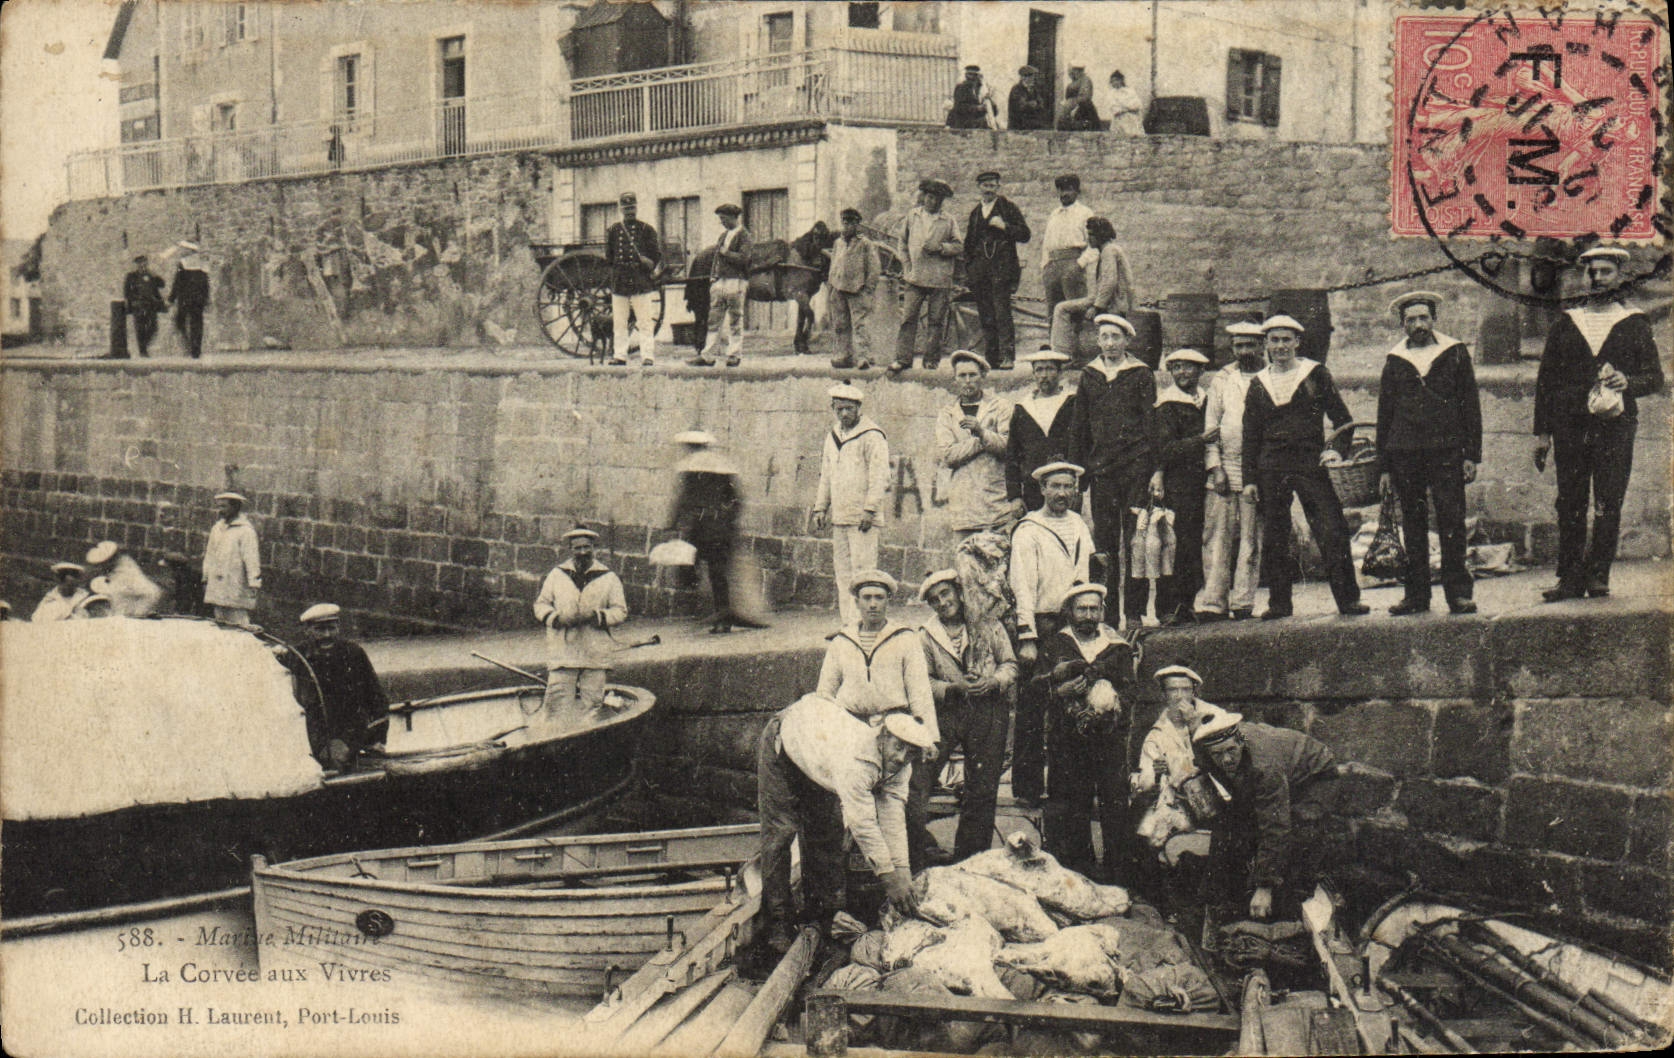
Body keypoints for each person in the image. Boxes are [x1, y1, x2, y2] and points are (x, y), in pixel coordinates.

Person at [1534, 246, 1664, 602]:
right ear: (1584, 277)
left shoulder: (1635, 322)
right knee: (1571, 501)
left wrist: (1628, 382)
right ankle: (1570, 578)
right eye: (1592, 272)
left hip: (1615, 425)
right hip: (1569, 425)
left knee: (1608, 500)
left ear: (1620, 276)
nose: (1598, 278)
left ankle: (1598, 575)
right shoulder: (1567, 321)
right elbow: (1546, 380)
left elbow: (1655, 378)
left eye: (1606, 271)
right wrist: (1543, 433)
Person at [756, 693, 932, 951]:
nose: (901, 757)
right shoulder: (854, 760)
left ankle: (822, 918)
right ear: (883, 737)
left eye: (910, 753)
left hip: (818, 754)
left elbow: (892, 817)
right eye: (898, 747)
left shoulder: (901, 767)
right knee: (781, 834)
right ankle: (778, 925)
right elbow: (863, 823)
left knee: (826, 833)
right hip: (784, 742)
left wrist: (902, 871)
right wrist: (889, 879)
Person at [1241, 315, 1369, 620]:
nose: (1280, 346)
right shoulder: (1259, 384)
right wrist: (1250, 479)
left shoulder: (1315, 374)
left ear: (1297, 342)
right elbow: (1250, 434)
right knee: (1275, 534)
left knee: (1330, 528)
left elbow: (1343, 421)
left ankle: (1348, 600)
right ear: (1266, 345)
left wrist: (1335, 452)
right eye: (1274, 340)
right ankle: (1279, 603)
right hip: (1271, 466)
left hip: (1310, 463)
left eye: (1287, 340)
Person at [1377, 291, 1483, 616]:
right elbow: (1385, 414)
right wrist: (1384, 467)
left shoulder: (1454, 353)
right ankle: (1416, 596)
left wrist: (1471, 455)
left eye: (1424, 318)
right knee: (1412, 523)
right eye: (1411, 320)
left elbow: (1470, 405)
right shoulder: (1395, 360)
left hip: (1446, 451)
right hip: (1405, 454)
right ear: (1403, 324)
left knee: (1452, 520)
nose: (1419, 324)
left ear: (1434, 320)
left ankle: (1458, 594)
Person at [1037, 583, 1139, 884]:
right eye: (1082, 608)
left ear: (1102, 612)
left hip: (1109, 741)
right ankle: (1078, 877)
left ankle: (1117, 878)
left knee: (1115, 807)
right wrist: (1060, 691)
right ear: (1070, 612)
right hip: (1067, 742)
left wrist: (1112, 706)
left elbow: (1131, 689)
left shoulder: (1117, 647)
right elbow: (1034, 689)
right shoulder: (1055, 646)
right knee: (1071, 808)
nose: (1088, 615)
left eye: (1094, 609)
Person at [1193, 711, 1340, 921]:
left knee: (1298, 827)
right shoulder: (1205, 752)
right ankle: (1215, 895)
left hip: (1315, 775)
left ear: (1240, 742)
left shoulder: (1265, 766)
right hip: (1280, 770)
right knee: (1233, 821)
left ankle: (1294, 896)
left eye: (1230, 751)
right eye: (1218, 755)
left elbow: (1276, 826)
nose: (1226, 759)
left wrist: (1264, 887)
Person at [1009, 461, 1096, 805]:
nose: (1062, 493)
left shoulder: (1077, 524)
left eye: (1068, 487)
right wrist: (1027, 636)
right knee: (1033, 706)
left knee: (1069, 704)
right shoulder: (1028, 529)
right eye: (1055, 486)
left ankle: (1064, 788)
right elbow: (1023, 586)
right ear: (1042, 489)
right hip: (1041, 623)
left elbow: (1084, 574)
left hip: (1069, 624)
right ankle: (1027, 789)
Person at [917, 569, 1018, 865]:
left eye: (946, 594)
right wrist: (953, 688)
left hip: (988, 710)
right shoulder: (926, 636)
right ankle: (920, 852)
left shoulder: (987, 624)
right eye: (935, 600)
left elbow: (1010, 664)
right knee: (919, 778)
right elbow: (923, 681)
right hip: (947, 712)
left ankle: (971, 860)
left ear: (959, 593)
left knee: (982, 786)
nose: (942, 602)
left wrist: (994, 681)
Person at [1074, 313, 1161, 630]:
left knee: (1136, 541)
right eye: (1105, 337)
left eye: (1116, 337)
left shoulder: (1140, 374)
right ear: (1098, 341)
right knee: (1105, 545)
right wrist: (1080, 475)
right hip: (1102, 472)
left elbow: (1152, 426)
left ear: (1127, 340)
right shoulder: (1089, 375)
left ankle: (1135, 612)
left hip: (1136, 467)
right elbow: (1079, 427)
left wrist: (1155, 470)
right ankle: (1108, 615)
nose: (1110, 343)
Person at [1197, 322, 1267, 621]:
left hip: (1256, 472)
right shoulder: (1222, 380)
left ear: (1261, 346)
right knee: (1216, 538)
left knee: (1251, 539)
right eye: (1239, 346)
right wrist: (1216, 468)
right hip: (1224, 470)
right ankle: (1214, 602)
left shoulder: (1269, 377)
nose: (1245, 351)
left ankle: (1243, 602)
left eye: (1250, 345)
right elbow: (1211, 427)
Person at [817, 570, 938, 740]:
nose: (873, 604)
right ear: (857, 602)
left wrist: (928, 737)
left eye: (879, 597)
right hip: (850, 728)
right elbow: (825, 693)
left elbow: (920, 693)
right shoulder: (841, 641)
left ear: (888, 600)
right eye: (866, 598)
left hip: (894, 730)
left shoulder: (905, 638)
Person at [668, 430, 766, 634]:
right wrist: (729, 520)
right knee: (717, 573)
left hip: (701, 527)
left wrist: (672, 522)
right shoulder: (722, 466)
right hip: (720, 528)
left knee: (691, 566)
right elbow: (737, 499)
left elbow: (683, 499)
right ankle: (721, 616)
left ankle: (711, 612)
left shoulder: (690, 468)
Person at [811, 384, 890, 625]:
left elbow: (880, 476)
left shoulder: (872, 435)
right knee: (843, 574)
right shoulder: (833, 436)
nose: (844, 414)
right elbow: (826, 475)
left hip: (862, 518)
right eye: (839, 409)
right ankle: (848, 624)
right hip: (841, 517)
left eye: (849, 409)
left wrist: (870, 509)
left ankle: (864, 624)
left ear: (858, 408)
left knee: (863, 573)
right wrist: (820, 507)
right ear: (832, 408)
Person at [532, 527, 629, 727]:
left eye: (587, 547)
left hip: (595, 653)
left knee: (592, 707)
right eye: (577, 548)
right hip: (563, 652)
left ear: (594, 548)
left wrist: (598, 616)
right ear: (570, 549)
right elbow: (540, 604)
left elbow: (620, 610)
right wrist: (557, 619)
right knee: (556, 705)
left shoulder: (608, 577)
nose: (583, 552)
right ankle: (552, 741)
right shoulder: (557, 575)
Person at [1152, 349, 1216, 626]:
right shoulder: (1167, 404)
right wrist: (1200, 440)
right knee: (1174, 545)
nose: (1182, 373)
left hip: (1200, 482)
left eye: (1188, 367)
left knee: (1193, 545)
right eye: (1176, 368)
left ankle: (1188, 603)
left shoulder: (1205, 399)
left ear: (1200, 371)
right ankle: (1168, 607)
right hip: (1178, 483)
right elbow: (1165, 449)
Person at [292, 603, 389, 769]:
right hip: (312, 735)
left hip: (350, 733)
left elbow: (376, 698)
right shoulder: (296, 656)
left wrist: (377, 740)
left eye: (331, 628)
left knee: (339, 760)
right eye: (319, 630)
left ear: (338, 627)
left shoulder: (354, 653)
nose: (327, 635)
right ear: (307, 630)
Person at [936, 350, 1015, 540]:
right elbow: (948, 456)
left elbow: (1008, 447)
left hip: (996, 505)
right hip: (964, 509)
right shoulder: (947, 414)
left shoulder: (1001, 407)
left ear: (983, 376)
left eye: (973, 375)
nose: (968, 380)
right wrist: (981, 439)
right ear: (955, 379)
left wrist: (982, 432)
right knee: (965, 564)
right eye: (962, 376)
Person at [891, 179, 963, 376]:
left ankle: (931, 361)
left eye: (937, 199)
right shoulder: (913, 216)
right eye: (930, 197)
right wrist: (907, 266)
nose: (932, 202)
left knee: (936, 321)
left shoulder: (948, 221)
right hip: (915, 278)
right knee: (908, 318)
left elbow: (958, 246)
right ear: (924, 197)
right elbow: (902, 243)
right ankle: (902, 359)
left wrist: (941, 248)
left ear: (942, 201)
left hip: (940, 279)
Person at [963, 170, 1031, 369]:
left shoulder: (1008, 208)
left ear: (998, 187)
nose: (989, 190)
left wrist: (1005, 226)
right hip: (980, 273)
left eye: (992, 186)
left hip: (1002, 270)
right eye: (985, 186)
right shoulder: (976, 213)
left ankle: (1008, 356)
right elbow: (968, 243)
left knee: (1002, 314)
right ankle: (991, 359)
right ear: (979, 188)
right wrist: (971, 267)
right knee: (986, 315)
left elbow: (1025, 234)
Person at [1005, 347, 1080, 519]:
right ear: (1033, 374)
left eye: (1050, 369)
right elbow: (1012, 455)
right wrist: (1014, 496)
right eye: (1039, 370)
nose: (1044, 375)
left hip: (1065, 489)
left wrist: (1078, 488)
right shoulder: (1023, 408)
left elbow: (1081, 446)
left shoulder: (1072, 403)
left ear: (1060, 372)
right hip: (1033, 489)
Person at [1049, 217, 1135, 363]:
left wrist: (1096, 307)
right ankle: (1067, 353)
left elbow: (1109, 282)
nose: (1089, 239)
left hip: (1113, 305)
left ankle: (1061, 355)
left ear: (1100, 235)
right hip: (1108, 301)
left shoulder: (1109, 251)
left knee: (1061, 309)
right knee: (1065, 308)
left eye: (1091, 235)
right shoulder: (1109, 250)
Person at [1132, 665, 1225, 798]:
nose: (1179, 696)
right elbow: (1145, 784)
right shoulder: (1156, 735)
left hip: (1219, 794)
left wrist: (1195, 724)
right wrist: (1156, 772)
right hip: (1181, 800)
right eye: (1172, 690)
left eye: (1186, 690)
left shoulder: (1214, 715)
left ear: (1194, 693)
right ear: (1164, 695)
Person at [604, 191, 662, 367]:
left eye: (632, 207)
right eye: (626, 208)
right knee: (619, 322)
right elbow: (609, 257)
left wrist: (648, 263)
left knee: (644, 321)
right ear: (621, 209)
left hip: (640, 280)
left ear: (636, 208)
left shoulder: (647, 229)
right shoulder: (613, 230)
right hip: (620, 281)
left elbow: (656, 255)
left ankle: (647, 356)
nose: (630, 211)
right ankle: (620, 355)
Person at [691, 204, 750, 367]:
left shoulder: (744, 236)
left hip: (735, 281)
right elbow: (716, 259)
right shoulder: (723, 236)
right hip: (720, 282)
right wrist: (713, 277)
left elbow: (744, 259)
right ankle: (708, 355)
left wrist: (726, 253)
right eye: (721, 219)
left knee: (735, 319)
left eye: (724, 219)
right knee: (714, 320)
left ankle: (734, 354)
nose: (722, 222)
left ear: (733, 218)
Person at [827, 208, 880, 370]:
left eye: (851, 223)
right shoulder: (838, 243)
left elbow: (874, 268)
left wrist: (868, 289)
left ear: (857, 224)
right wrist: (832, 285)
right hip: (839, 289)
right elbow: (834, 265)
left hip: (858, 289)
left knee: (860, 325)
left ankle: (864, 357)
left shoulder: (865, 244)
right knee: (840, 324)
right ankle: (843, 356)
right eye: (845, 222)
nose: (847, 226)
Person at [203, 491, 261, 627]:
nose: (220, 510)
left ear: (235, 507)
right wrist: (205, 578)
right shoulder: (217, 528)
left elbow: (251, 558)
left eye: (224, 507)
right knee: (219, 621)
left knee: (238, 623)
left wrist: (254, 583)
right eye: (219, 507)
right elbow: (209, 555)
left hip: (236, 583)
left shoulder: (245, 531)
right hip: (217, 584)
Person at [1040, 175, 1093, 320]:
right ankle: (1054, 343)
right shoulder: (1054, 214)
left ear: (1077, 191)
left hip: (1073, 264)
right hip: (1052, 267)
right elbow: (1046, 244)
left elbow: (1094, 245)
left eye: (1069, 189)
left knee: (1075, 310)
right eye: (1061, 190)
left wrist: (1079, 264)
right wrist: (1045, 266)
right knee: (1053, 312)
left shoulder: (1085, 213)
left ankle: (1076, 342)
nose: (1064, 194)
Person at [790, 221, 837, 356]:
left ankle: (801, 341)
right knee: (806, 312)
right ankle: (800, 341)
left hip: (823, 279)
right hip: (805, 280)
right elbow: (799, 245)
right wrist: (817, 249)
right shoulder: (805, 242)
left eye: (820, 237)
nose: (817, 239)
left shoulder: (830, 241)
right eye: (815, 236)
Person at [84, 540, 163, 618]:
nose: (99, 567)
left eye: (101, 564)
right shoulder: (111, 574)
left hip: (128, 618)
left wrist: (138, 614)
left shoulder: (126, 572)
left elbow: (152, 593)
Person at [168, 241, 210, 359]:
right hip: (199, 299)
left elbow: (177, 282)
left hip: (185, 298)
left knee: (179, 321)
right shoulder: (202, 263)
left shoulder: (183, 263)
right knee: (197, 323)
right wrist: (206, 298)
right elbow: (206, 283)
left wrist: (171, 299)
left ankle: (188, 345)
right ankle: (196, 350)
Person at [123, 255, 167, 358]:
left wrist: (155, 276)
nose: (143, 265)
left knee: (153, 327)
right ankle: (143, 350)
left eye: (145, 263)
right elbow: (127, 291)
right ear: (137, 265)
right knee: (140, 327)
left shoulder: (151, 275)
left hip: (151, 304)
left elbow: (162, 284)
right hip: (138, 305)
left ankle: (144, 345)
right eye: (141, 263)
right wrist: (131, 302)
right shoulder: (131, 276)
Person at [946, 64, 999, 129]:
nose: (973, 77)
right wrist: (977, 108)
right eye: (970, 74)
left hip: (979, 123)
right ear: (966, 75)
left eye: (975, 75)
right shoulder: (961, 87)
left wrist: (990, 103)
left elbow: (994, 112)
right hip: (964, 123)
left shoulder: (983, 88)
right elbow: (959, 107)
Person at [1007, 65, 1051, 131]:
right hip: (1018, 127)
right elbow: (1020, 106)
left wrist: (1035, 104)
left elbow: (1041, 104)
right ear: (1023, 77)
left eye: (1032, 76)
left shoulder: (1034, 89)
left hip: (1031, 126)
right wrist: (1032, 104)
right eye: (1030, 76)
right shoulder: (1016, 89)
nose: (1032, 79)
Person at [1056, 65, 1099, 130]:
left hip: (1083, 108)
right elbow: (1067, 97)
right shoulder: (1071, 84)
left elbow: (1085, 96)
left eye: (1072, 71)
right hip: (1071, 107)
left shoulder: (1086, 80)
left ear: (1079, 71)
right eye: (1069, 72)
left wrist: (1075, 105)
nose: (1070, 74)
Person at [1104, 71, 1144, 135]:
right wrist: (1126, 107)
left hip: (1132, 119)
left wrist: (1126, 107)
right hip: (1119, 120)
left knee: (1134, 136)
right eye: (1112, 81)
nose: (1115, 83)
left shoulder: (1130, 91)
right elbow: (1114, 108)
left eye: (1117, 80)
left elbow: (1137, 105)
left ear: (1121, 80)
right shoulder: (1111, 93)